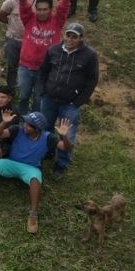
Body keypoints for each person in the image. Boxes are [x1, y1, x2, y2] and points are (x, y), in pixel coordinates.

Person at [0, 111, 72, 235]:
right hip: (12, 163)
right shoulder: (17, 129)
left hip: (31, 168)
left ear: (37, 129)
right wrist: (4, 122)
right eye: (25, 122)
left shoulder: (48, 137)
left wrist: (64, 136)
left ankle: (33, 214)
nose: (25, 125)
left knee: (36, 180)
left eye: (29, 125)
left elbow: (66, 148)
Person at [39, 22, 99, 180]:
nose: (70, 39)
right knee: (45, 128)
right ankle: (48, 151)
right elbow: (43, 71)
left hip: (70, 104)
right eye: (68, 35)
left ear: (81, 38)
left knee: (68, 136)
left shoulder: (90, 55)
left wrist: (78, 102)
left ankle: (61, 165)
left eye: (75, 36)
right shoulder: (53, 50)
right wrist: (43, 92)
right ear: (64, 35)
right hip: (49, 99)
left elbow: (92, 80)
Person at [16, 0, 73, 114]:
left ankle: (34, 125)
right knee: (22, 96)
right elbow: (23, 3)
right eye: (39, 9)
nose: (41, 12)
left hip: (45, 69)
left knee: (38, 99)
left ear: (50, 10)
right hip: (26, 66)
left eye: (45, 10)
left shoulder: (57, 21)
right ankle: (20, 123)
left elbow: (65, 4)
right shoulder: (29, 18)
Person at [0, 0, 47, 90]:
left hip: (34, 41)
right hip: (13, 39)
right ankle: (11, 90)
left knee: (32, 66)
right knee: (12, 65)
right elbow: (1, 15)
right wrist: (12, 25)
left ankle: (28, 89)